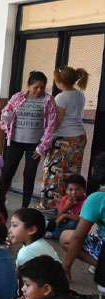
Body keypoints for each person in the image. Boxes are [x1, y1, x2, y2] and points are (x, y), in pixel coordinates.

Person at [0, 71, 57, 208]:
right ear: (28, 85)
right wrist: (7, 124)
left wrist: (42, 147)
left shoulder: (48, 101)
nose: (39, 90)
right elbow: (5, 114)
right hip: (15, 141)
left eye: (42, 87)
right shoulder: (17, 97)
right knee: (7, 172)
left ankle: (24, 207)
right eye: (36, 87)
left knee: (29, 175)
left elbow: (51, 125)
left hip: (35, 146)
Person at [39, 66, 89, 209]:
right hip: (79, 137)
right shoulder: (80, 94)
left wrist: (47, 139)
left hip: (63, 139)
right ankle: (71, 205)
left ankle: (51, 206)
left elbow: (57, 121)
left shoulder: (61, 97)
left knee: (53, 173)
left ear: (59, 81)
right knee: (72, 173)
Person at [61, 152, 105, 279]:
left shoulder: (97, 197)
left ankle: (101, 267)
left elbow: (78, 237)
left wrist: (66, 266)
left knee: (65, 237)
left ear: (94, 170)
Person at [49, 174, 87, 240]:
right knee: (47, 218)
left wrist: (66, 215)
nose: (74, 192)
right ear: (66, 191)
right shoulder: (65, 199)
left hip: (72, 227)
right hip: (61, 224)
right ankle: (56, 234)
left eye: (78, 189)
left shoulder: (86, 201)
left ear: (84, 190)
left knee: (73, 223)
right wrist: (66, 207)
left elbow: (82, 219)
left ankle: (54, 234)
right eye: (70, 189)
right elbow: (58, 216)